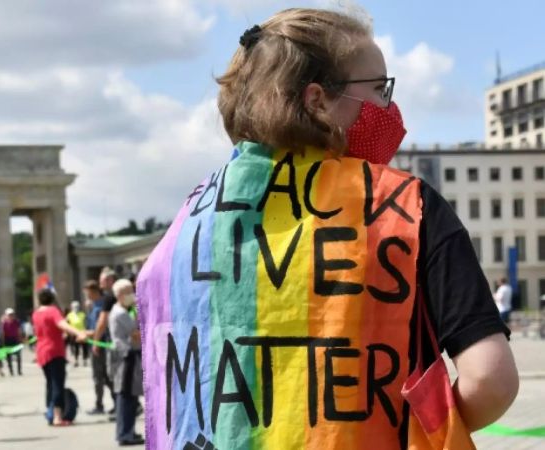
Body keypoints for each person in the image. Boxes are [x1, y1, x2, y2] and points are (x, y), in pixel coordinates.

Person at [136, 8, 518, 449]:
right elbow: (490, 379)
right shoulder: (406, 206)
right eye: (378, 89)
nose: (388, 108)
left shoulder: (187, 223)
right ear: (317, 99)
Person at [32, 289, 88, 426]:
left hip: (42, 351)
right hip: (54, 351)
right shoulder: (52, 311)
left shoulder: (36, 313)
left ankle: (50, 412)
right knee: (58, 383)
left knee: (50, 383)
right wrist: (79, 333)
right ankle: (57, 416)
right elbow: (62, 325)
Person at [108, 280, 144, 446]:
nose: (133, 295)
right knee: (126, 396)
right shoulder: (120, 313)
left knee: (130, 396)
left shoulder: (124, 310)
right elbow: (136, 331)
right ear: (120, 295)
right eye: (130, 291)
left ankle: (128, 431)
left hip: (127, 355)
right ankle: (125, 433)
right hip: (126, 356)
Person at [88, 272, 118, 416]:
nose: (101, 282)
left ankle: (120, 405)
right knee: (109, 375)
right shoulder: (115, 297)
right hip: (114, 341)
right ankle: (120, 404)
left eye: (103, 280)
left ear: (110, 280)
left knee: (106, 375)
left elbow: (102, 323)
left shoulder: (108, 299)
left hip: (107, 342)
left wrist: (95, 342)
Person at [1, 308, 24, 376]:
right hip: (8, 340)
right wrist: (3, 342)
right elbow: (3, 333)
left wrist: (20, 339)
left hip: (15, 340)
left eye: (12, 314)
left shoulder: (16, 322)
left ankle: (19, 371)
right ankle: (11, 371)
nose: (11, 316)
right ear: (6, 315)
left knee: (18, 356)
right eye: (9, 315)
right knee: (9, 357)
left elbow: (19, 331)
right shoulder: (4, 323)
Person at [65, 301, 88, 367]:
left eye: (77, 306)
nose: (76, 308)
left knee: (84, 347)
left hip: (82, 332)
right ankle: (76, 360)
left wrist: (86, 331)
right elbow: (66, 323)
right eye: (74, 306)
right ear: (71, 307)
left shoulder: (82, 314)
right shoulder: (69, 315)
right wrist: (67, 332)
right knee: (75, 347)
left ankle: (85, 360)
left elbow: (86, 323)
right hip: (73, 333)